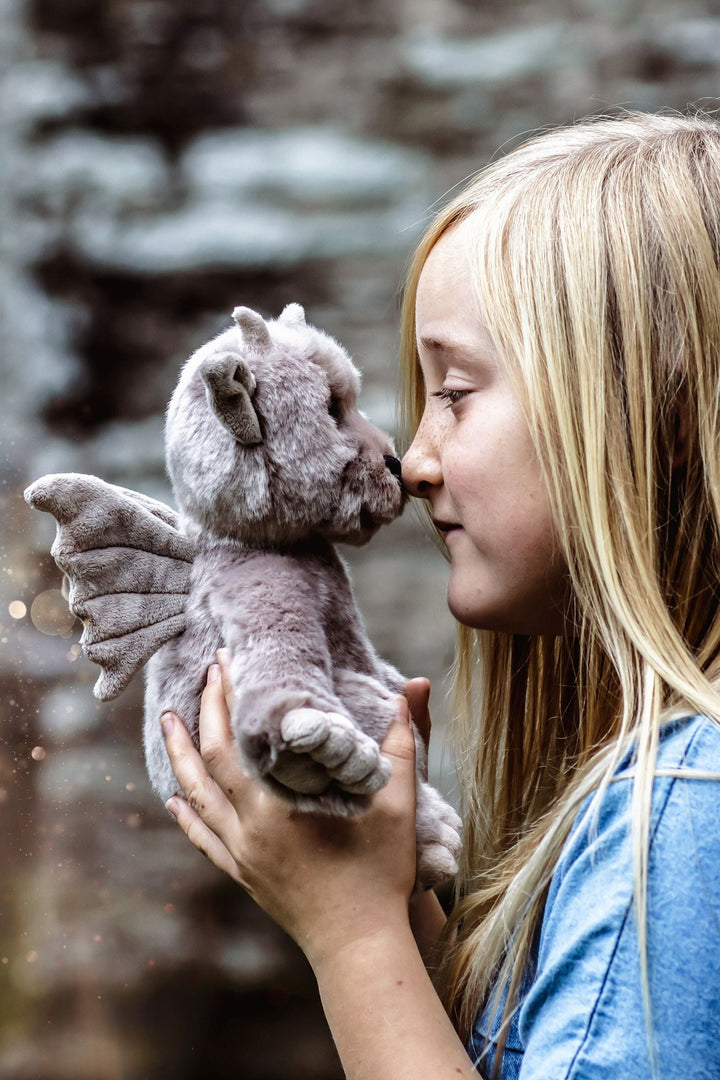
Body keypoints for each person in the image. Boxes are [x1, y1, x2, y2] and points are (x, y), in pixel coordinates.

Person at [158, 111, 720, 1079]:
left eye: (455, 395)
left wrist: (354, 939)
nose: (411, 462)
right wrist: (398, 907)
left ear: (642, 415)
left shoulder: (678, 818)